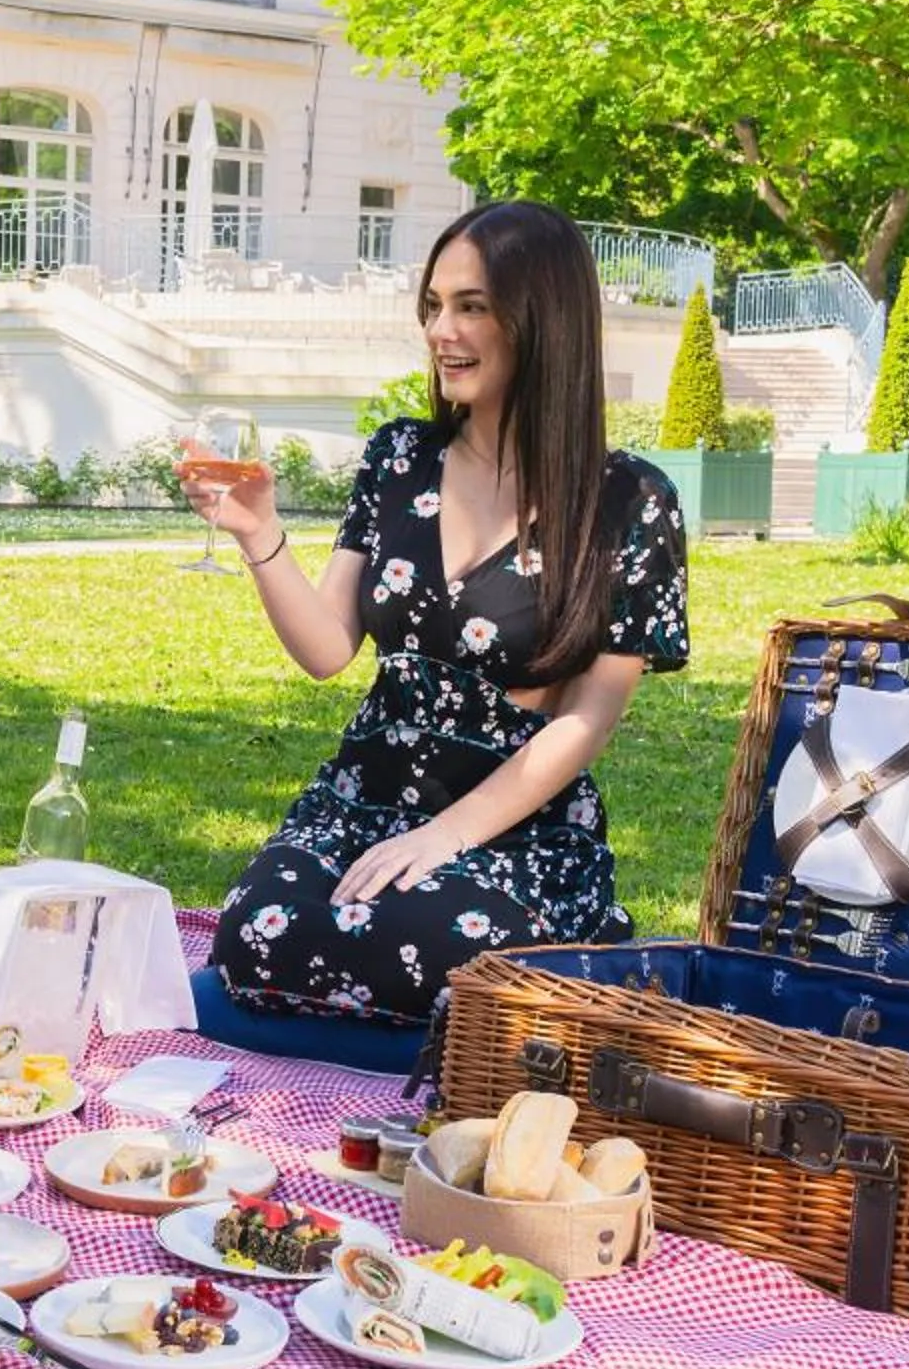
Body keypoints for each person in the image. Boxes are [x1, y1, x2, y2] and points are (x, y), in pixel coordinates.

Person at [188, 200, 689, 1030]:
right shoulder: (399, 456)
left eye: (471, 306)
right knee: (254, 939)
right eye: (432, 305)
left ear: (543, 321)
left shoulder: (630, 500)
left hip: (510, 816)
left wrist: (444, 839)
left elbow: (586, 721)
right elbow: (325, 649)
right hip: (364, 792)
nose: (439, 330)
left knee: (439, 958)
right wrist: (258, 533)